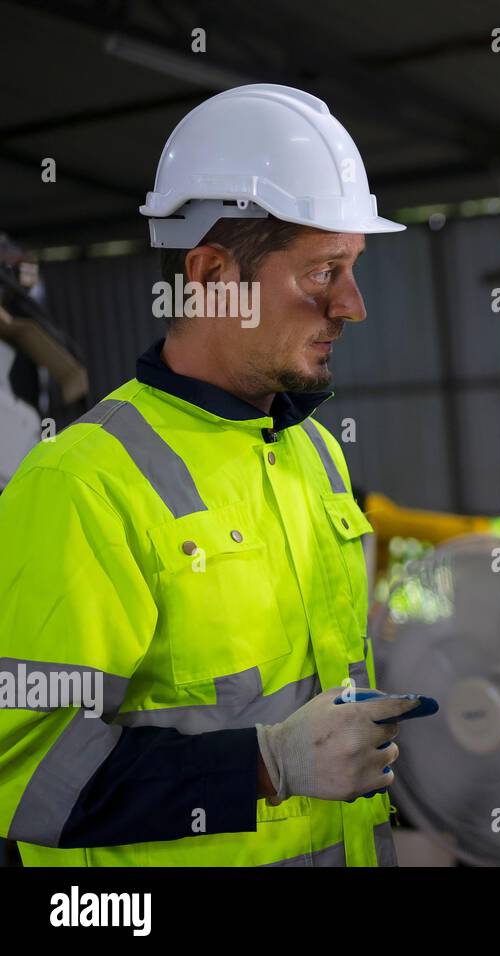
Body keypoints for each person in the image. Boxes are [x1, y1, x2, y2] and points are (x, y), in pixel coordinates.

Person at [0, 84, 418, 866]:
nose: (353, 305)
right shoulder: (82, 484)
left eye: (352, 268)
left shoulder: (312, 452)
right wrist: (267, 765)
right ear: (213, 271)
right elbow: (16, 771)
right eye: (325, 271)